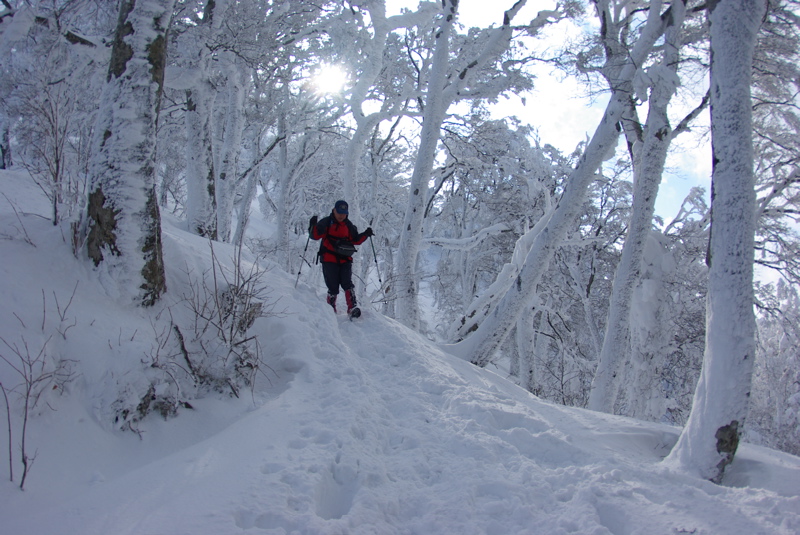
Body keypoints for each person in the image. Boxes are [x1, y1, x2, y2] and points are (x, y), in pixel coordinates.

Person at [309, 200, 373, 318]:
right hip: (328, 259)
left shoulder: (348, 225)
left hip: (345, 260)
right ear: (334, 210)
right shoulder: (326, 222)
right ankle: (330, 308)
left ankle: (352, 307)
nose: (341, 215)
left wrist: (365, 234)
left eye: (343, 213)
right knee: (332, 286)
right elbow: (315, 236)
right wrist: (312, 226)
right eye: (339, 212)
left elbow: (355, 240)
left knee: (347, 283)